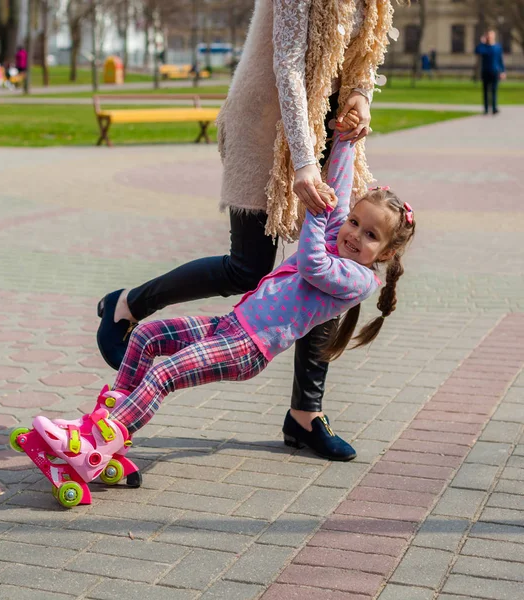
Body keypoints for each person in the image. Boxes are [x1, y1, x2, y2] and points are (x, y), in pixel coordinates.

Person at [96, 0, 405, 461]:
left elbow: (362, 59)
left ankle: (305, 416)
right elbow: (287, 61)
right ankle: (127, 305)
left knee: (342, 260)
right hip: (266, 122)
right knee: (248, 267)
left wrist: (359, 98)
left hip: (328, 126)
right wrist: (303, 162)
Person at [34, 134, 416, 468]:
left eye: (369, 235)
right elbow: (339, 187)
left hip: (247, 348)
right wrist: (346, 139)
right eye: (352, 222)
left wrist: (316, 210)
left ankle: (99, 443)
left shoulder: (357, 279)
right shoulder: (339, 238)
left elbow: (314, 263)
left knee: (164, 374)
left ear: (383, 254)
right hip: (231, 326)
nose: (353, 234)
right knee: (147, 336)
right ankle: (104, 419)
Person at [475, 30, 506, 115]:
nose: (490, 37)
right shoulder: (484, 47)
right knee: (485, 91)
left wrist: (503, 71)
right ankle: (486, 109)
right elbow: (477, 51)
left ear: (494, 36)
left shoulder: (497, 47)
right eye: (488, 35)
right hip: (485, 71)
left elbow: (500, 60)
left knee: (494, 90)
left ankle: (494, 108)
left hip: (495, 71)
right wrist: (482, 42)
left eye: (491, 35)